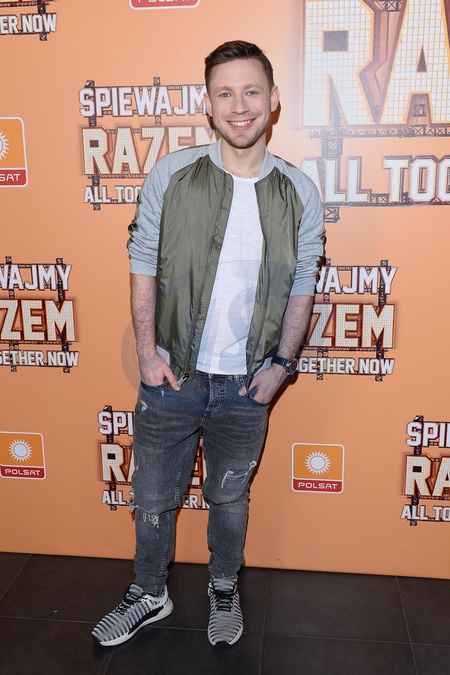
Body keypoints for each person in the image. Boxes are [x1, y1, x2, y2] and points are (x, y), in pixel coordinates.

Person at [92, 39, 324, 648]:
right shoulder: (172, 175)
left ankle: (224, 586)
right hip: (172, 376)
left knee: (229, 498)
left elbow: (304, 282)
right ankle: (150, 592)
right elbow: (142, 262)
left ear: (274, 99)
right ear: (208, 104)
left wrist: (283, 365)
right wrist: (147, 354)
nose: (238, 106)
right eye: (225, 93)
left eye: (251, 91)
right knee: (152, 496)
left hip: (248, 384)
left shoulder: (299, 191)